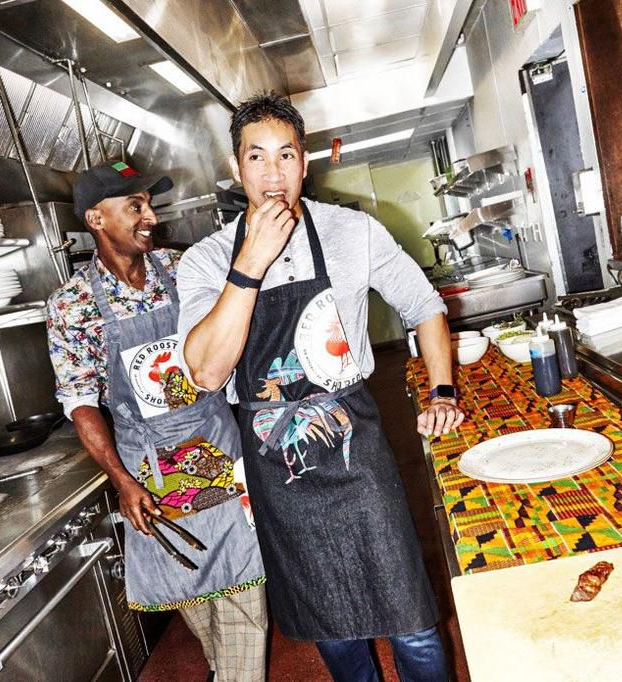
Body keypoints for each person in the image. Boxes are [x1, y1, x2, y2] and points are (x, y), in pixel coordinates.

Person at [176, 93, 465, 681]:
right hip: (277, 466)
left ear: (304, 163)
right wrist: (248, 266)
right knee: (331, 626)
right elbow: (206, 372)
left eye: (286, 155)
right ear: (238, 169)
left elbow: (423, 305)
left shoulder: (351, 231)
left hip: (357, 450)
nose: (273, 172)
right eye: (257, 158)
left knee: (412, 619)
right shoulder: (204, 262)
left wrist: (442, 392)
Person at [46, 162, 267, 682]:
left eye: (149, 204)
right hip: (151, 473)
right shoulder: (71, 306)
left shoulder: (185, 268)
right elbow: (80, 401)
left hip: (219, 447)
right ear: (96, 219)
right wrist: (121, 481)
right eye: (135, 207)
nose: (150, 217)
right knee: (194, 592)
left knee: (245, 592)